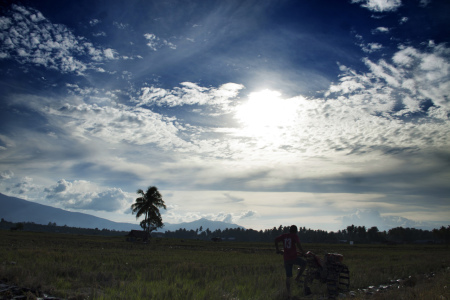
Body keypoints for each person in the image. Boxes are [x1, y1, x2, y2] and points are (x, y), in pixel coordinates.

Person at [275, 225, 307, 298]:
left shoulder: (284, 236)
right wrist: (303, 253)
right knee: (304, 263)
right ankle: (298, 277)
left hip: (286, 258)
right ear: (295, 231)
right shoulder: (294, 236)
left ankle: (289, 293)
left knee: (288, 276)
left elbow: (276, 240)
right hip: (293, 257)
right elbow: (298, 245)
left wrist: (277, 250)